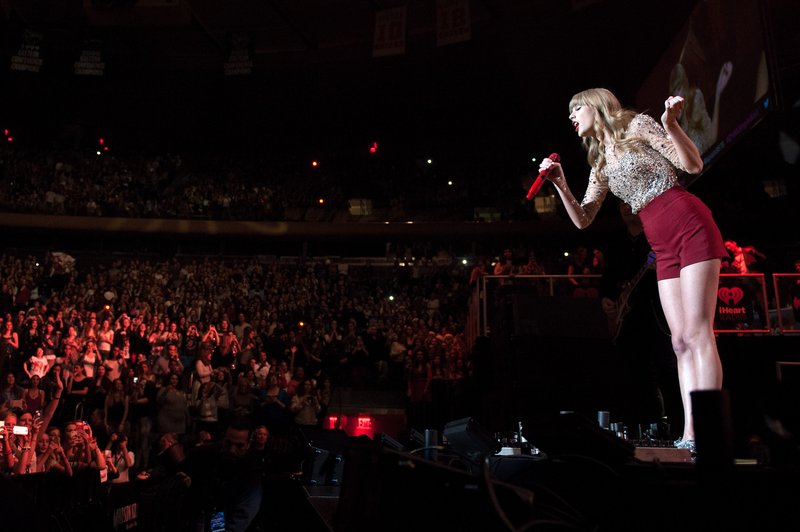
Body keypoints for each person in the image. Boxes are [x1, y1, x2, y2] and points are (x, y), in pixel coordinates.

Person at [538, 88, 728, 453]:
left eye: (576, 108)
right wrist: (561, 183)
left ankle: (708, 431)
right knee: (679, 341)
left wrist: (670, 124)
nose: (571, 117)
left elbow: (693, 165)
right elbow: (583, 219)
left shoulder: (637, 126)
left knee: (699, 333)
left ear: (596, 106)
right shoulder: (600, 163)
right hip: (660, 242)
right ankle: (691, 434)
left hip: (688, 223)